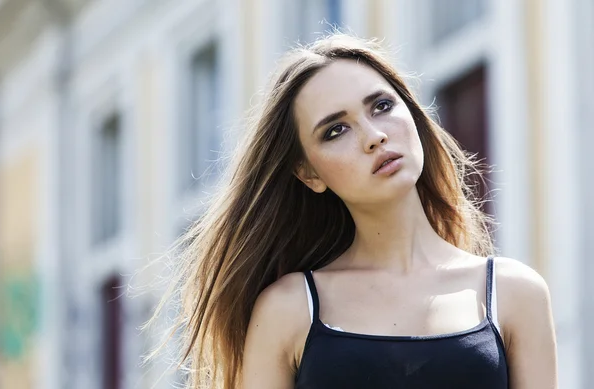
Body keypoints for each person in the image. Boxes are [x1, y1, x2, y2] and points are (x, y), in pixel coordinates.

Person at [149, 33, 557, 389]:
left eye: (381, 106)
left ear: (412, 114)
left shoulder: (514, 293)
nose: (375, 136)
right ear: (309, 173)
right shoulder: (289, 309)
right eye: (335, 130)